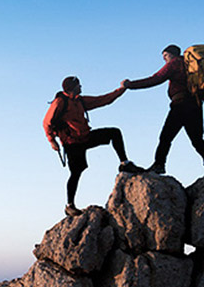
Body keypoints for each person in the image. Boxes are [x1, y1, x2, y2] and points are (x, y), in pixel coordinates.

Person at [43, 75, 144, 216]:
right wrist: (52, 140)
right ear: (72, 87)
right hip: (71, 143)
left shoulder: (80, 101)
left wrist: (122, 89)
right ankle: (69, 205)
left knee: (114, 133)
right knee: (76, 172)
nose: (81, 87)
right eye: (79, 85)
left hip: (85, 137)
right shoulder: (60, 102)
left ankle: (124, 163)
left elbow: (103, 100)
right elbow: (47, 122)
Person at [122, 44, 204, 175]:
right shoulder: (194, 66)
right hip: (195, 106)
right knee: (197, 139)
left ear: (171, 54)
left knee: (165, 137)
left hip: (180, 105)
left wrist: (131, 85)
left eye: (165, 56)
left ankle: (159, 165)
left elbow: (156, 78)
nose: (164, 59)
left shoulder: (175, 63)